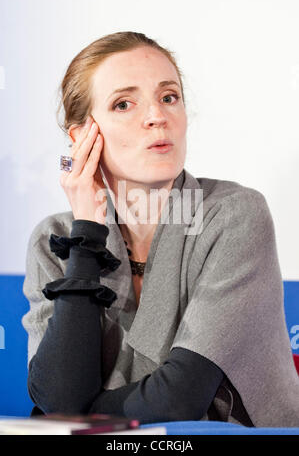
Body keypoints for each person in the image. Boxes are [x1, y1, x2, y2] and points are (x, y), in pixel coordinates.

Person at [22, 31, 299, 427]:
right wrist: (86, 234)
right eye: (124, 103)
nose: (157, 116)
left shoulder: (234, 213)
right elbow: (58, 393)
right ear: (82, 137)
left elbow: (178, 400)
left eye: (169, 97)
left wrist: (81, 412)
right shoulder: (55, 239)